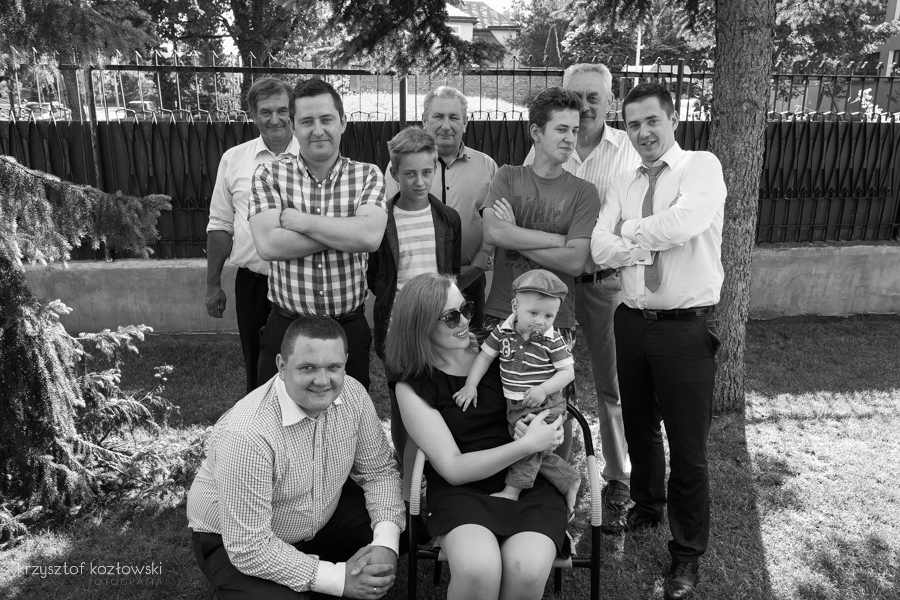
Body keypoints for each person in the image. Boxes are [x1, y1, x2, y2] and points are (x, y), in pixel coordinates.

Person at [590, 82, 727, 600]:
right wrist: (640, 238)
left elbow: (685, 223)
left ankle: (686, 552)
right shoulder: (623, 181)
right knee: (640, 426)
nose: (643, 132)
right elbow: (599, 248)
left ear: (672, 120)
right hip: (631, 320)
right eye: (633, 124)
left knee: (688, 447)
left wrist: (629, 231)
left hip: (685, 326)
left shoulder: (700, 167)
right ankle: (647, 507)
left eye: (652, 121)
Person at [186, 315, 406, 600]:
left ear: (345, 363)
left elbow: (379, 472)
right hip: (234, 538)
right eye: (308, 368)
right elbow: (249, 546)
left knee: (398, 528)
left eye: (334, 367)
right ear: (281, 366)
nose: (323, 380)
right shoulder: (247, 434)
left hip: (320, 517)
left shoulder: (354, 395)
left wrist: (385, 545)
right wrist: (339, 579)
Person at [387, 273, 568, 600]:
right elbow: (453, 469)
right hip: (462, 491)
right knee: (477, 570)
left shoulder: (501, 345)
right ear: (420, 325)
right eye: (450, 317)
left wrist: (543, 426)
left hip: (529, 480)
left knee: (526, 571)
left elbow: (553, 394)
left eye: (466, 308)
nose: (464, 321)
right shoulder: (412, 385)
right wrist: (525, 444)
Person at [524, 63, 640, 529]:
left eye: (595, 97)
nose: (586, 106)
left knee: (613, 386)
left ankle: (618, 476)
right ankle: (558, 471)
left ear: (611, 101)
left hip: (605, 284)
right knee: (553, 383)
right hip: (553, 287)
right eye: (576, 96)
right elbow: (528, 211)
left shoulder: (628, 150)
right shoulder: (550, 144)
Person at [482, 86, 601, 460]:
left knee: (553, 414)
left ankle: (555, 487)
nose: (571, 138)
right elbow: (493, 232)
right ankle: (501, 480)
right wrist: (556, 240)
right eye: (561, 129)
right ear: (536, 132)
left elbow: (575, 261)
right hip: (502, 313)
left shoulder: (583, 192)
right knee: (498, 406)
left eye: (574, 130)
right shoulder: (507, 177)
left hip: (555, 322)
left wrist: (516, 234)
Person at [249, 78, 387, 390]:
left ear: (343, 122)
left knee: (349, 412)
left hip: (348, 328)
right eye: (307, 121)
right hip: (287, 326)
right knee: (277, 412)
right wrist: (344, 231)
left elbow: (369, 238)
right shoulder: (269, 175)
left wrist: (299, 221)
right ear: (293, 126)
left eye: (326, 119)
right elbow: (269, 245)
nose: (318, 130)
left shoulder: (367, 175)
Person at [367, 126, 461, 467]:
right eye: (409, 174)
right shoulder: (382, 220)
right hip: (399, 327)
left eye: (426, 172)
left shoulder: (448, 219)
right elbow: (376, 277)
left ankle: (439, 467)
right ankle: (407, 473)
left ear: (435, 168)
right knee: (404, 403)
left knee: (440, 397)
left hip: (440, 324)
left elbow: (451, 272)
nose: (419, 182)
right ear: (394, 173)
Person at [453, 269, 579, 512]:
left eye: (549, 315)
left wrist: (543, 389)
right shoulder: (503, 331)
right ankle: (568, 479)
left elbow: (567, 373)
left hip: (543, 403)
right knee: (530, 446)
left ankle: (512, 491)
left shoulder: (552, 339)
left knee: (526, 447)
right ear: (515, 307)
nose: (540, 321)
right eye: (533, 313)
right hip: (515, 404)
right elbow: (485, 357)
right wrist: (470, 385)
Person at [205, 77, 298, 394]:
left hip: (303, 280)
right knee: (257, 366)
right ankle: (259, 422)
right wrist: (213, 285)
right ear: (252, 115)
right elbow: (220, 223)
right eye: (265, 112)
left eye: (282, 110)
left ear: (292, 111)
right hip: (253, 284)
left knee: (304, 363)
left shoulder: (314, 156)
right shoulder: (234, 159)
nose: (275, 119)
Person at [384, 86, 497, 330]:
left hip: (470, 281)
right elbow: (390, 225)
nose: (446, 125)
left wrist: (480, 262)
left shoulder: (486, 166)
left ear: (465, 122)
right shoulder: (402, 170)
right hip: (415, 287)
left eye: (454, 117)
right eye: (438, 116)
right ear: (424, 120)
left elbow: (495, 221)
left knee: (467, 345)